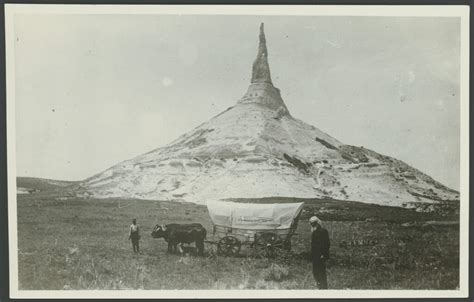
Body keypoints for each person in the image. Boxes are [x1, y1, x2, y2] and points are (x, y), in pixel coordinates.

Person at [310, 215, 330, 289]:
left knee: (321, 272)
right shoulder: (314, 232)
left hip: (321, 255)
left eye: (313, 224)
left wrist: (323, 254)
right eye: (311, 224)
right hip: (315, 255)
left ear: (317, 223)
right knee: (315, 271)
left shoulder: (323, 231)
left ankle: (323, 287)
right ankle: (319, 285)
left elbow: (326, 244)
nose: (312, 225)